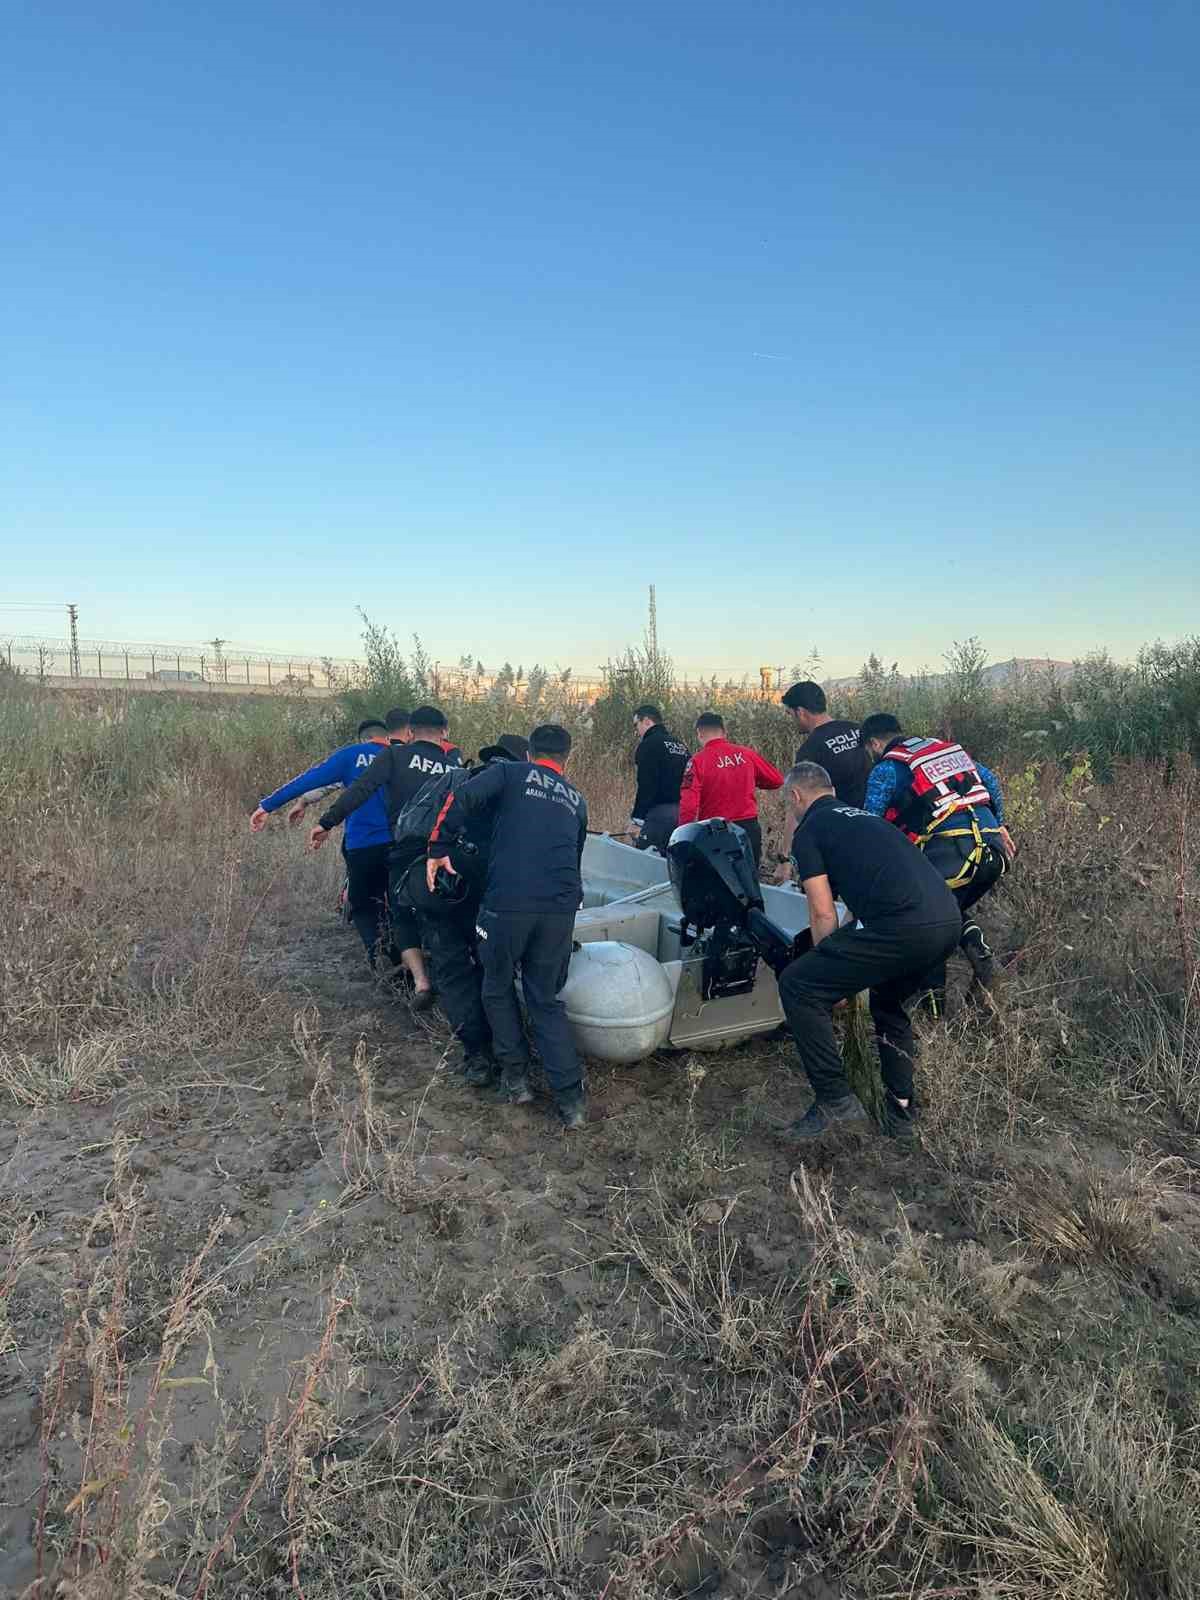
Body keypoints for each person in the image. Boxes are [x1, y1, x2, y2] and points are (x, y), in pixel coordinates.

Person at [776, 764, 962, 1141]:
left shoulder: (810, 830)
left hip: (903, 927)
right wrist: (843, 967)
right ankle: (901, 1112)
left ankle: (835, 1101)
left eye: (788, 805)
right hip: (947, 923)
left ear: (796, 796)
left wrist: (830, 981)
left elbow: (821, 911)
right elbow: (861, 900)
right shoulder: (865, 820)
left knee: (798, 985)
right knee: (888, 1004)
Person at [426, 724, 589, 1129]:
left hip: (508, 904)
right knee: (544, 997)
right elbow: (576, 852)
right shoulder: (576, 799)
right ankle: (571, 1102)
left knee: (496, 986)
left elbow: (460, 797)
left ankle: (516, 1080)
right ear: (566, 758)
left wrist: (437, 849)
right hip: (560, 907)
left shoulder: (510, 773)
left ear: (530, 753)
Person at [310, 706, 464, 1009]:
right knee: (444, 912)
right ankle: (453, 980)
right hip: (443, 852)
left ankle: (421, 982)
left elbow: (361, 790)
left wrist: (326, 822)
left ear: (410, 732)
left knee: (401, 911)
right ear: (445, 732)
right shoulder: (454, 770)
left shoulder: (395, 756)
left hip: (404, 849)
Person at [398, 734, 531, 1086]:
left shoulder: (463, 778)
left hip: (441, 890)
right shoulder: (522, 793)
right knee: (495, 974)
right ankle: (510, 1060)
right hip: (491, 897)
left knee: (455, 973)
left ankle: (477, 1057)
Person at [860, 714, 1016, 996]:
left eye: (868, 752)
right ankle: (980, 957)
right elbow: (990, 781)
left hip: (954, 856)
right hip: (995, 851)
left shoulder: (887, 768)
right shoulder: (943, 751)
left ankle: (932, 1008)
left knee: (929, 923)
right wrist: (1000, 823)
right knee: (948, 911)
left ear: (873, 743)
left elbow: (871, 823)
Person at [249, 719, 394, 969]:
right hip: (401, 843)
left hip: (362, 843)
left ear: (363, 738)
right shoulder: (400, 756)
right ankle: (405, 955)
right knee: (398, 900)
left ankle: (377, 955)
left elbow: (312, 779)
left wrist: (268, 806)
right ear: (388, 737)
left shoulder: (350, 755)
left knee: (362, 904)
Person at [677, 713, 784, 867]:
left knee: (720, 882)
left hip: (716, 830)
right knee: (749, 881)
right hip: (748, 829)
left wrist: (684, 837)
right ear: (724, 732)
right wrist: (751, 780)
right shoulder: (746, 754)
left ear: (699, 733)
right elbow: (776, 780)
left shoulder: (697, 762)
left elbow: (688, 806)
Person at [780, 681, 870, 807]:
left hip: (842, 820)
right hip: (877, 817)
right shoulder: (859, 729)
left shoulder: (810, 749)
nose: (791, 720)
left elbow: (802, 802)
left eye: (790, 714)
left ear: (800, 712)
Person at [629, 705, 689, 852]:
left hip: (659, 815)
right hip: (683, 815)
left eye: (636, 725)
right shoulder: (681, 746)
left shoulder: (649, 745)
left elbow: (646, 785)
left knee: (646, 863)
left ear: (647, 721)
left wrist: (637, 820)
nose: (636, 731)